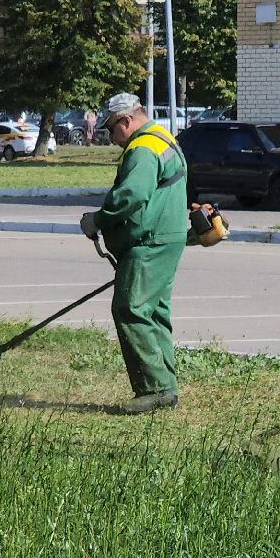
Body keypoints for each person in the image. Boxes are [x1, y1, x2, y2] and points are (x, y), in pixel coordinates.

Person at [80, 93, 189, 414]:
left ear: (126, 121)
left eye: (111, 129)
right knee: (154, 313)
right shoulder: (165, 139)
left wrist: (97, 220)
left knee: (131, 309)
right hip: (166, 238)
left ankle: (154, 389)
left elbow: (132, 194)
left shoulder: (142, 148)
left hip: (148, 242)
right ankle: (166, 387)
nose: (111, 138)